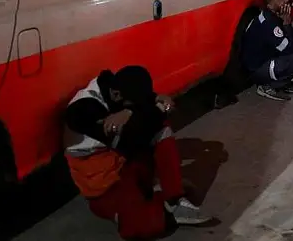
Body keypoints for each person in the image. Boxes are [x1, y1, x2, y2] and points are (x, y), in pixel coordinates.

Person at [63, 66, 212, 240]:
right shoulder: (82, 111)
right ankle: (158, 200)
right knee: (141, 227)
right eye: (130, 105)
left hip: (123, 162)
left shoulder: (115, 86)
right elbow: (129, 138)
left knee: (159, 126)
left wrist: (132, 111)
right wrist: (155, 109)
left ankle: (174, 197)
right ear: (116, 95)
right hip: (104, 184)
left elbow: (148, 106)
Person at [241, 0, 293, 100]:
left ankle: (285, 80)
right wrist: (286, 24)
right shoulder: (268, 23)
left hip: (271, 56)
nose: (286, 0)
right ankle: (268, 85)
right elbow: (288, 49)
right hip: (259, 68)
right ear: (270, 6)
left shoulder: (277, 14)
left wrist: (291, 24)